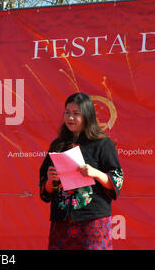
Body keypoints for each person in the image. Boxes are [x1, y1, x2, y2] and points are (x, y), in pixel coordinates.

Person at [39, 92, 123, 250]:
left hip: (93, 220)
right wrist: (50, 181)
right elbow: (45, 190)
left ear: (87, 115)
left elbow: (117, 180)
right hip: (62, 220)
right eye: (67, 113)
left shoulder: (102, 143)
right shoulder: (58, 145)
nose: (70, 118)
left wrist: (95, 172)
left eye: (76, 114)